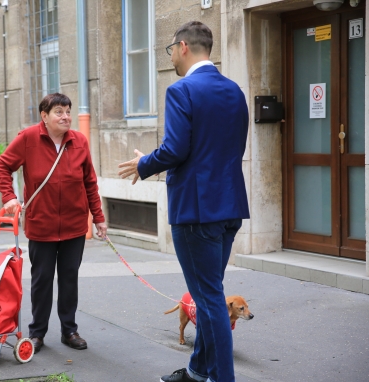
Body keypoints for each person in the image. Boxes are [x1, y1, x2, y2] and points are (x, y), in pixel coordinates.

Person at [118, 21, 249, 382]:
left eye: (170, 50)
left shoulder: (182, 90)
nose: (171, 57)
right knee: (210, 294)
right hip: (230, 205)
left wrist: (145, 163)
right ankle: (197, 370)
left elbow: (176, 149)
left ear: (183, 47)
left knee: (208, 301)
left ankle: (221, 377)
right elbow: (229, 149)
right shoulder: (235, 91)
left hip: (196, 210)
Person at [0, 93, 108, 354]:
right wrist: (9, 197)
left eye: (68, 111)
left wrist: (98, 217)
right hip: (41, 225)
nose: (66, 116)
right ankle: (37, 333)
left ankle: (69, 330)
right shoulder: (28, 139)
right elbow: (2, 166)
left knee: (69, 279)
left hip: (73, 225)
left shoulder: (79, 141)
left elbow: (89, 182)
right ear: (44, 116)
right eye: (59, 112)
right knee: (42, 280)